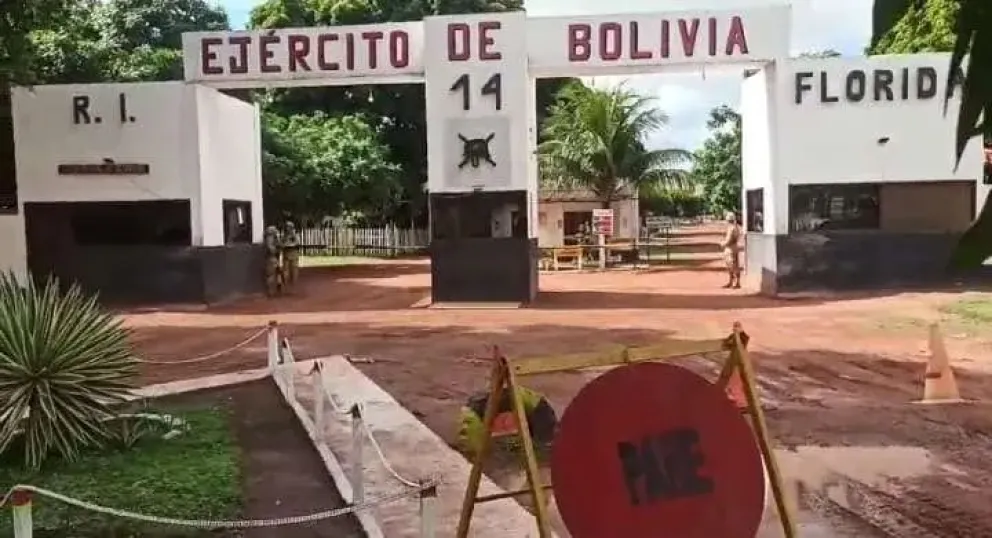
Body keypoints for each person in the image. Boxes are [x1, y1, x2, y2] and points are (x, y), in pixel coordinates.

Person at [721, 211, 742, 289]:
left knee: (732, 265)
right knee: (733, 265)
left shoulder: (731, 228)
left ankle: (735, 282)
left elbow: (729, 239)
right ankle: (733, 282)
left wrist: (723, 243)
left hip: (730, 248)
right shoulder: (735, 227)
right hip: (734, 247)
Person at [281, 221, 301, 292]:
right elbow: (282, 243)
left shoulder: (295, 234)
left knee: (294, 270)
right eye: (287, 227)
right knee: (285, 270)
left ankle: (293, 285)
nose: (287, 228)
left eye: (289, 227)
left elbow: (297, 242)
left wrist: (289, 244)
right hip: (286, 254)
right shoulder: (284, 235)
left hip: (294, 253)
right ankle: (286, 285)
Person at [263, 225, 282, 297]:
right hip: (271, 258)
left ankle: (277, 286)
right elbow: (271, 249)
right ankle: (270, 291)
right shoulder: (269, 239)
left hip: (275, 258)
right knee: (270, 275)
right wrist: (276, 250)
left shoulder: (274, 238)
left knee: (278, 273)